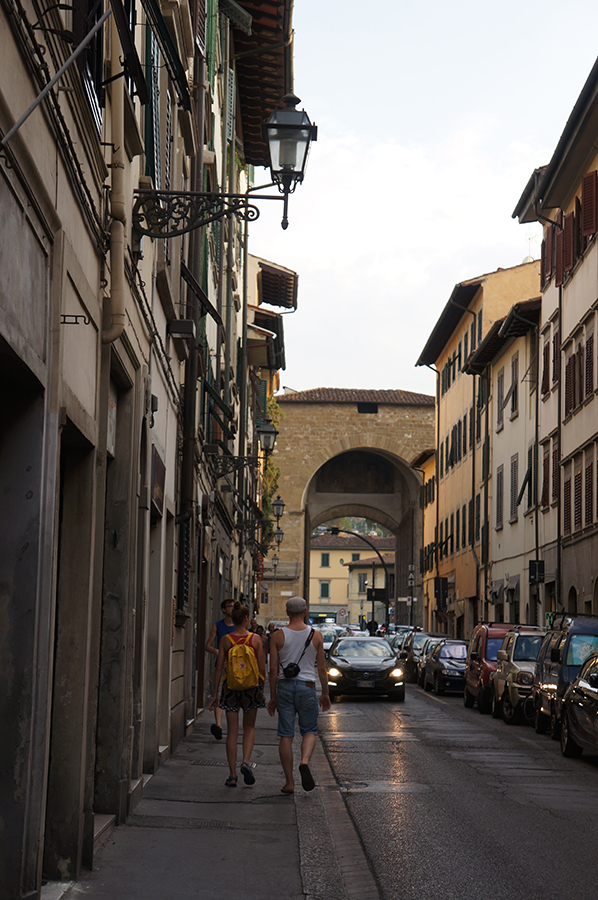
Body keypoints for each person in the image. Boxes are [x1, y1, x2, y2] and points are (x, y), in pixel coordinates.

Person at [267, 596, 331, 794]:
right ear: (305, 611)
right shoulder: (316, 636)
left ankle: (289, 783)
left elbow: (273, 669)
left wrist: (273, 696)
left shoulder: (277, 636)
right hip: (307, 685)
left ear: (287, 613)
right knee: (309, 730)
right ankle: (304, 761)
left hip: (285, 687)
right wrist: (325, 693)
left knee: (286, 735)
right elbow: (322, 668)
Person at [209, 601, 266, 787]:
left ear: (233, 619)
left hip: (230, 687)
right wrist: (261, 690)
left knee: (232, 731)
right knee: (249, 728)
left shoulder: (225, 640)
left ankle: (232, 775)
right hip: (251, 689)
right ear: (247, 619)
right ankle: (246, 762)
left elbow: (219, 669)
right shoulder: (255, 640)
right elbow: (261, 669)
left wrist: (215, 694)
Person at [205, 598, 235, 740]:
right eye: (230, 606)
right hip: (221, 665)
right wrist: (217, 651)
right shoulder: (217, 625)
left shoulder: (239, 626)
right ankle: (219, 726)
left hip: (236, 668)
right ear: (224, 609)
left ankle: (230, 725)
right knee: (218, 693)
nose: (232, 608)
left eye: (234, 606)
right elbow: (207, 645)